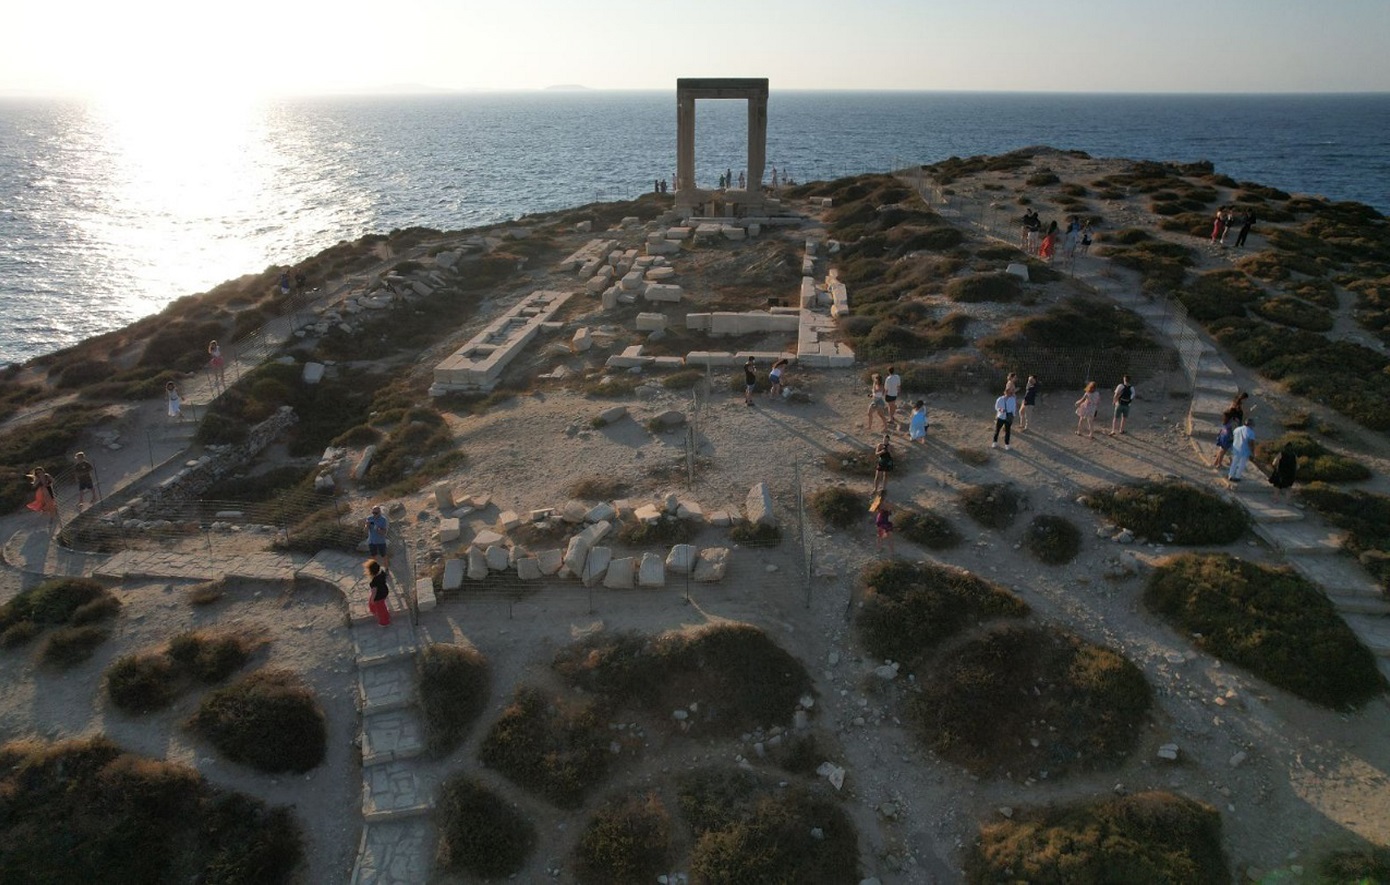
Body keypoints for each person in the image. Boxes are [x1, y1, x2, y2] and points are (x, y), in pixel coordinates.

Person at [1227, 418, 1256, 487]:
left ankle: (1230, 475)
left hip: (1236, 448)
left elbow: (1233, 436)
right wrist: (1253, 452)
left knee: (1234, 462)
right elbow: (1251, 443)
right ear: (1250, 425)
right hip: (1244, 450)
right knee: (1242, 464)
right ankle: (1237, 477)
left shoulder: (1237, 429)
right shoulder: (1251, 432)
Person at [365, 560, 391, 627]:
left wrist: (373, 599)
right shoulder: (382, 573)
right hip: (384, 591)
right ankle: (378, 612)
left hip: (379, 596)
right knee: (382, 605)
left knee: (381, 609)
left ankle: (384, 622)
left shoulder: (374, 581)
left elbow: (374, 592)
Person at [992, 386, 1017, 450]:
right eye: (1009, 393)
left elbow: (1014, 408)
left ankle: (1007, 444)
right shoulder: (1000, 399)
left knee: (1008, 431)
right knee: (997, 430)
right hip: (1000, 416)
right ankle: (994, 442)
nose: (1010, 394)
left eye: (1011, 393)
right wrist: (1000, 409)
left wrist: (1013, 416)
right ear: (1005, 392)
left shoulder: (1013, 399)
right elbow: (996, 407)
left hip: (1008, 417)